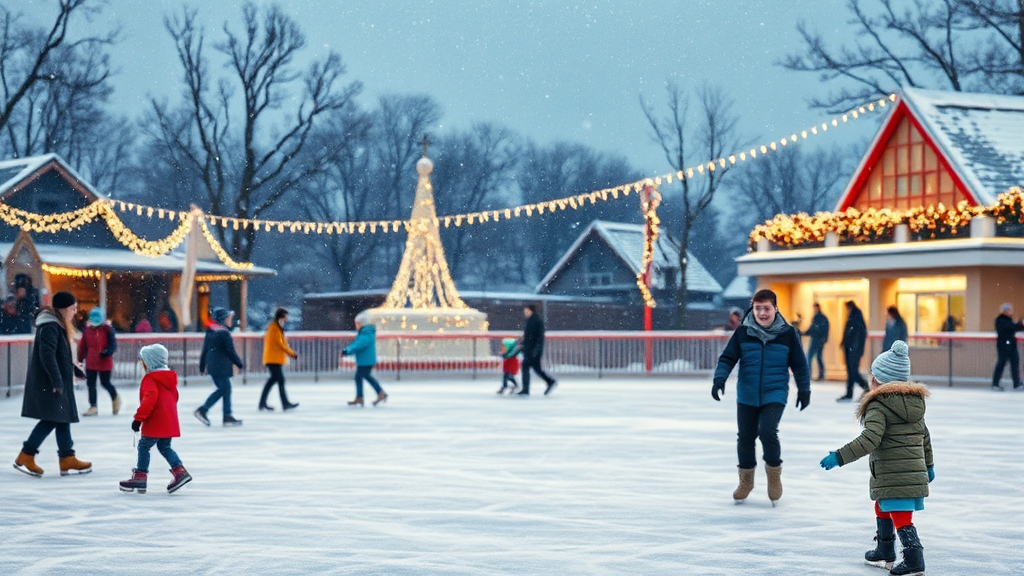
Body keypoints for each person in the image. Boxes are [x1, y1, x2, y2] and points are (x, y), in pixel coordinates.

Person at [819, 340, 933, 575]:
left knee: (900, 516)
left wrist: (839, 456)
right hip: (907, 472)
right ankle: (885, 549)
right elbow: (925, 436)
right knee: (882, 504)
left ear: (877, 381)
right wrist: (929, 466)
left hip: (894, 473)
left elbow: (870, 439)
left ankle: (914, 560)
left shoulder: (878, 405)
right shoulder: (915, 403)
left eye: (873, 376)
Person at [712, 289, 810, 506]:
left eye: (766, 308)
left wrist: (804, 390)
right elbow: (728, 358)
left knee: (767, 431)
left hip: (775, 392)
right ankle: (746, 481)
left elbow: (799, 365)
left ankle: (774, 476)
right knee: (745, 437)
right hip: (747, 393)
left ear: (775, 308)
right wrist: (719, 379)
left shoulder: (787, 333)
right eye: (758, 308)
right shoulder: (743, 331)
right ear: (752, 308)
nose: (762, 313)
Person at [13, 292, 92, 477]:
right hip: (50, 382)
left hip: (56, 380)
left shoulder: (56, 325)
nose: (74, 312)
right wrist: (56, 380)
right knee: (52, 418)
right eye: (73, 308)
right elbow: (47, 355)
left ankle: (67, 457)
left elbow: (58, 354)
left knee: (61, 417)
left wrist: (73, 368)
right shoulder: (50, 326)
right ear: (64, 308)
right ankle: (26, 455)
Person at [120, 344, 192, 494]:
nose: (142, 364)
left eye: (144, 361)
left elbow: (149, 400)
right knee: (165, 447)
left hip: (155, 421)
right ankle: (180, 471)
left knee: (144, 446)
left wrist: (138, 419)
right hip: (168, 420)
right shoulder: (169, 378)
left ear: (150, 362)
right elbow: (175, 398)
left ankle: (140, 476)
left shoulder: (150, 379)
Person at [194, 308, 244, 427]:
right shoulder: (223, 333)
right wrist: (239, 363)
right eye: (228, 318)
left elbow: (205, 350)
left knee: (226, 388)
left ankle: (227, 415)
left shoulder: (211, 331)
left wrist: (202, 366)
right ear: (223, 319)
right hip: (220, 366)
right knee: (223, 389)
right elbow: (230, 351)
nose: (230, 320)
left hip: (213, 366)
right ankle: (203, 409)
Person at [78, 308, 121, 417]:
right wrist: (79, 360)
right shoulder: (87, 331)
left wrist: (107, 352)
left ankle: (115, 398)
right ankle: (93, 406)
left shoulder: (107, 330)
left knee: (105, 382)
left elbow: (113, 345)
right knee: (91, 384)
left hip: (104, 361)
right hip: (91, 361)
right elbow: (83, 346)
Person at [260, 307, 299, 411]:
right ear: (281, 317)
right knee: (280, 380)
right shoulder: (274, 328)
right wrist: (292, 354)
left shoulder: (277, 328)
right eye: (285, 317)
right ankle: (285, 403)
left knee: (272, 381)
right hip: (272, 359)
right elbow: (281, 344)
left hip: (274, 359)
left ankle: (262, 403)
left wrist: (290, 353)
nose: (286, 319)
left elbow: (282, 344)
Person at [342, 319, 387, 407]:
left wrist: (347, 350)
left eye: (358, 324)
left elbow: (358, 345)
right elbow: (357, 344)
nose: (356, 326)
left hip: (365, 361)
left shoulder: (365, 334)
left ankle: (380, 393)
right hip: (365, 360)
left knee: (365, 376)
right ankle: (361, 397)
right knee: (359, 377)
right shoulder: (366, 333)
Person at [518, 304, 557, 396]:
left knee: (531, 368)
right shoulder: (532, 320)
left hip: (533, 350)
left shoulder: (535, 321)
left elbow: (537, 337)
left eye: (526, 311)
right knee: (531, 368)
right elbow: (529, 336)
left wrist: (535, 349)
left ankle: (527, 388)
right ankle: (548, 382)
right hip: (531, 349)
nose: (525, 313)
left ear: (531, 310)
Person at [838, 300, 869, 402]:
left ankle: (866, 387)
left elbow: (855, 332)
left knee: (853, 372)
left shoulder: (856, 316)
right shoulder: (853, 316)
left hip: (853, 349)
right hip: (850, 347)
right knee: (851, 372)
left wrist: (853, 346)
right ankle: (849, 392)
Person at [992, 303, 1024, 391]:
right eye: (1008, 310)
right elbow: (1011, 327)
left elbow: (1015, 327)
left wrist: (1020, 325)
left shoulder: (1008, 320)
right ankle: (995, 383)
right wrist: (1019, 324)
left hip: (1011, 344)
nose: (1010, 311)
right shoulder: (1000, 320)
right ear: (1004, 311)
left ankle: (1016, 383)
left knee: (1015, 363)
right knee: (1001, 363)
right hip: (1003, 344)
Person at [804, 303, 829, 381]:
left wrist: (805, 333)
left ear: (817, 308)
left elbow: (813, 328)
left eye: (814, 308)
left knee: (809, 357)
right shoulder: (822, 317)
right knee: (819, 357)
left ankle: (808, 375)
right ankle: (821, 375)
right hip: (819, 340)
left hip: (816, 339)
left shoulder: (818, 317)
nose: (814, 309)